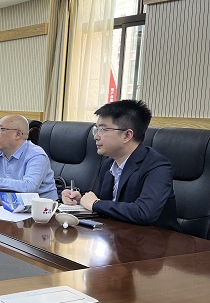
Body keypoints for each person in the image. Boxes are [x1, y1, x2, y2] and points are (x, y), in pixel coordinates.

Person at [62, 99, 179, 230]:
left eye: (103, 129)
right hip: (117, 235)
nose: (96, 136)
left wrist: (95, 204)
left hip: (155, 239)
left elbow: (144, 213)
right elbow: (99, 201)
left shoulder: (158, 167)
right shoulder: (108, 164)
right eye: (96, 129)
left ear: (127, 135)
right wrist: (80, 199)